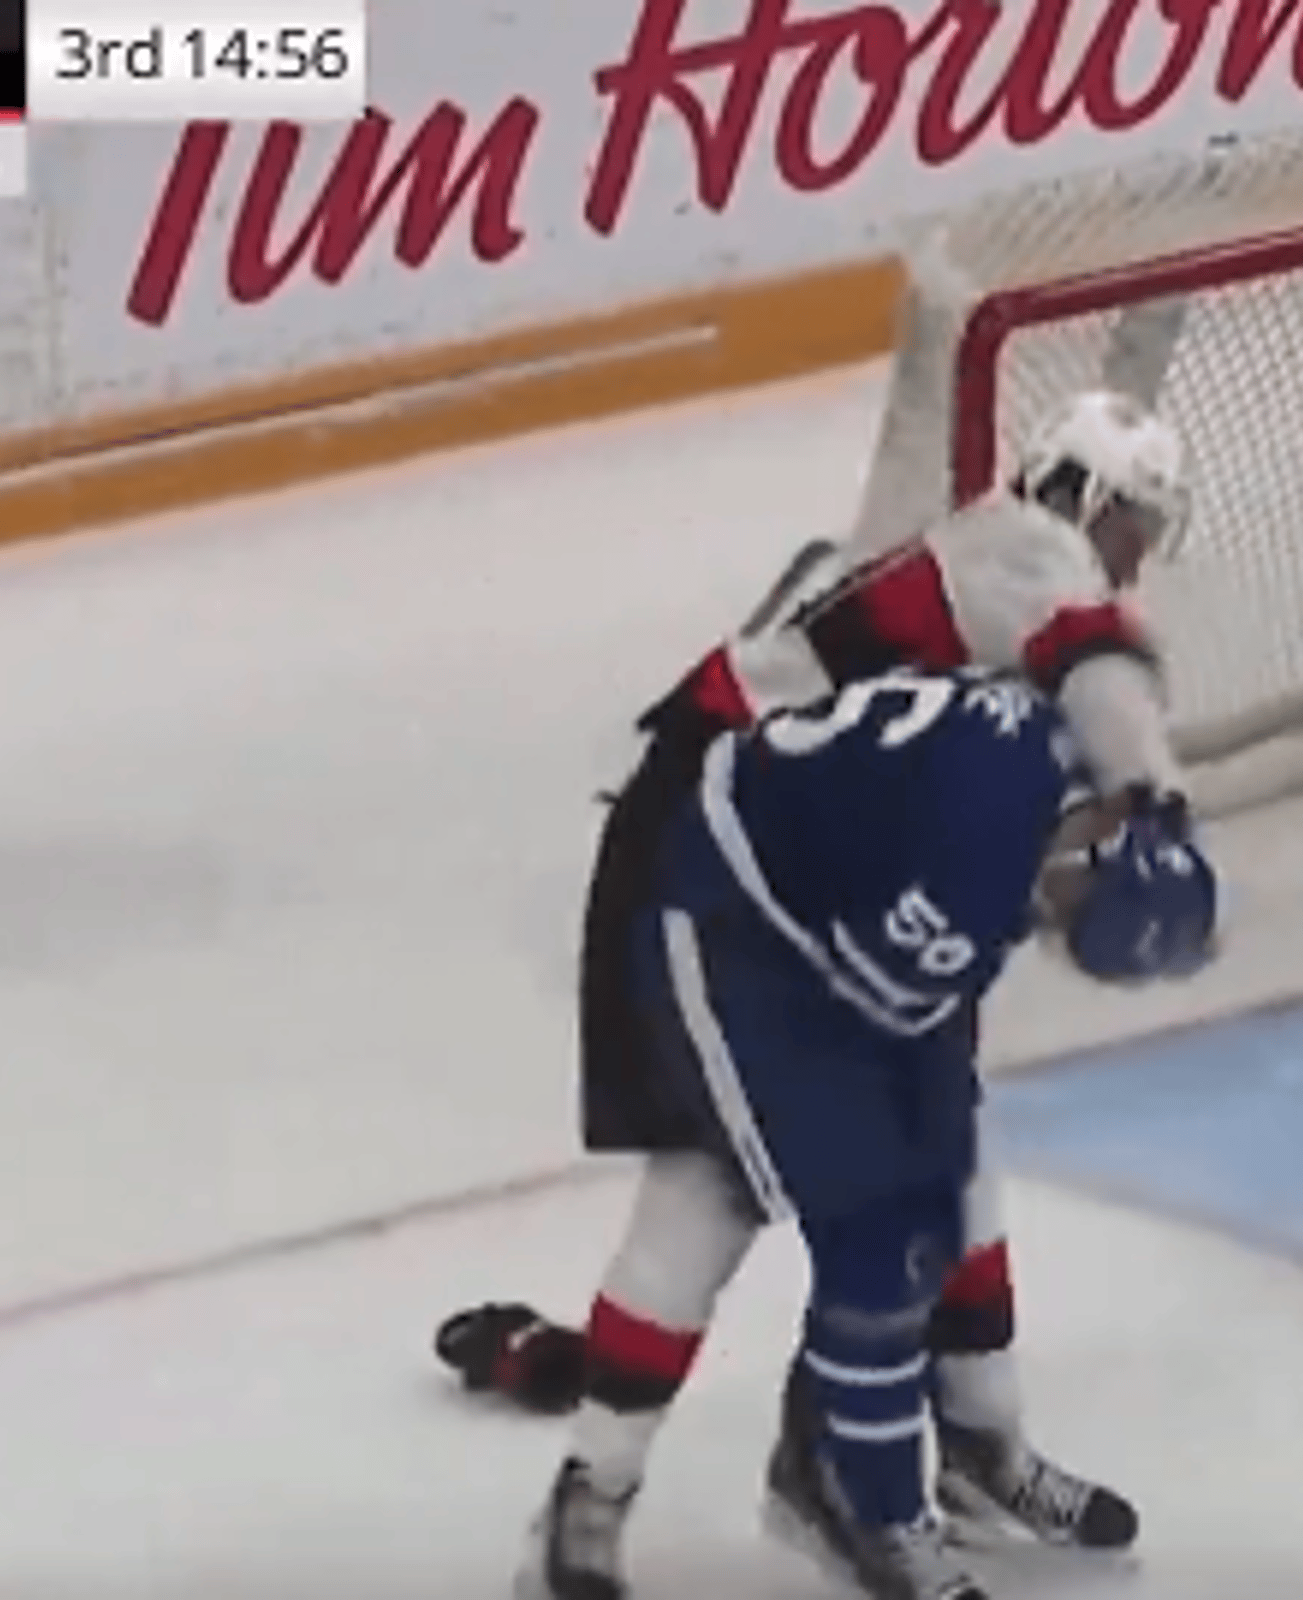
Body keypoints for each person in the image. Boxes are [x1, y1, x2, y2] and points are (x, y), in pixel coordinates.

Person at [435, 389, 1194, 1554]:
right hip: (705, 864)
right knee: (712, 1187)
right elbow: (1092, 658)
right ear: (1081, 497)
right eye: (1131, 523)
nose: (1134, 555)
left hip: (824, 868)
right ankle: (592, 1504)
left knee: (948, 1156)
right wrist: (1156, 801)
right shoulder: (1027, 553)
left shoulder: (1004, 571)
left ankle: (962, 1448)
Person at [516, 665, 1217, 1600]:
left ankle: (967, 1452)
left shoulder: (1073, 783)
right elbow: (865, 1008)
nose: (1054, 924)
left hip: (835, 895)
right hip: (728, 916)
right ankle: (630, 1492)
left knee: (949, 1174)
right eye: (1068, 913)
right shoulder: (985, 863)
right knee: (765, 1210)